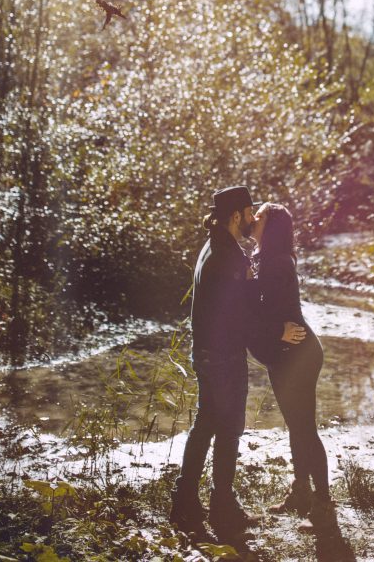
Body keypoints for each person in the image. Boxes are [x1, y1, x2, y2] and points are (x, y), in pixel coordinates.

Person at [169, 185, 260, 540]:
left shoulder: (213, 245)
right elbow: (241, 314)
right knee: (227, 427)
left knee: (208, 423)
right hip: (223, 356)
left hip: (208, 352)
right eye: (249, 213)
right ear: (236, 215)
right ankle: (217, 503)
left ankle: (191, 501)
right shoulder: (228, 256)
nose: (253, 219)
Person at [247, 202, 334, 529]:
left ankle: (323, 504)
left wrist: (273, 331)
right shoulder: (263, 259)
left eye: (259, 216)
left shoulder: (278, 263)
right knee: (295, 426)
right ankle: (301, 492)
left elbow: (269, 313)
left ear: (270, 227)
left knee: (305, 428)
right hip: (283, 353)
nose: (253, 218)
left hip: (299, 353)